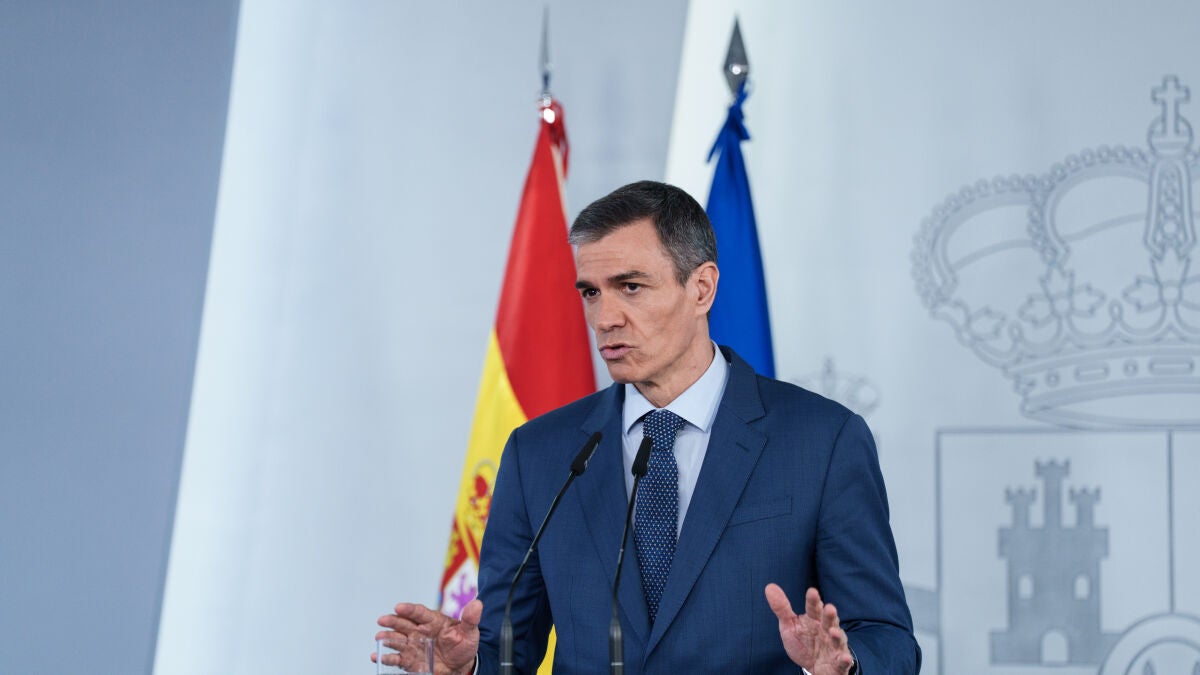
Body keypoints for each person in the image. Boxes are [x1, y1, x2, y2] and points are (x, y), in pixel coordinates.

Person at [377, 181, 920, 674]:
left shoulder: (822, 441)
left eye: (630, 287)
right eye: (591, 292)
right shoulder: (539, 453)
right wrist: (469, 669)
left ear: (701, 288)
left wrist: (842, 668)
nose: (605, 318)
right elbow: (508, 651)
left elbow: (887, 638)